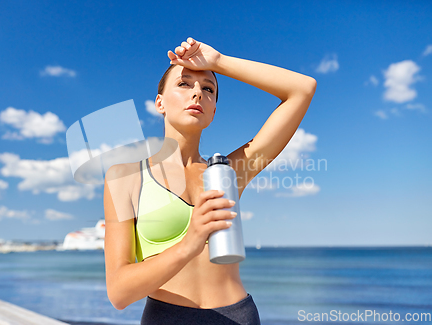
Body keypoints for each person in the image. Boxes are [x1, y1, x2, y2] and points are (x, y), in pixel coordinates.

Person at [103, 37, 316, 324]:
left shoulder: (228, 173)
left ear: (213, 110)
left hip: (238, 316)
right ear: (159, 103)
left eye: (208, 89)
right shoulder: (125, 177)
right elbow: (118, 292)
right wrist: (189, 243)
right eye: (184, 83)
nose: (197, 94)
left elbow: (302, 89)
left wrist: (217, 62)